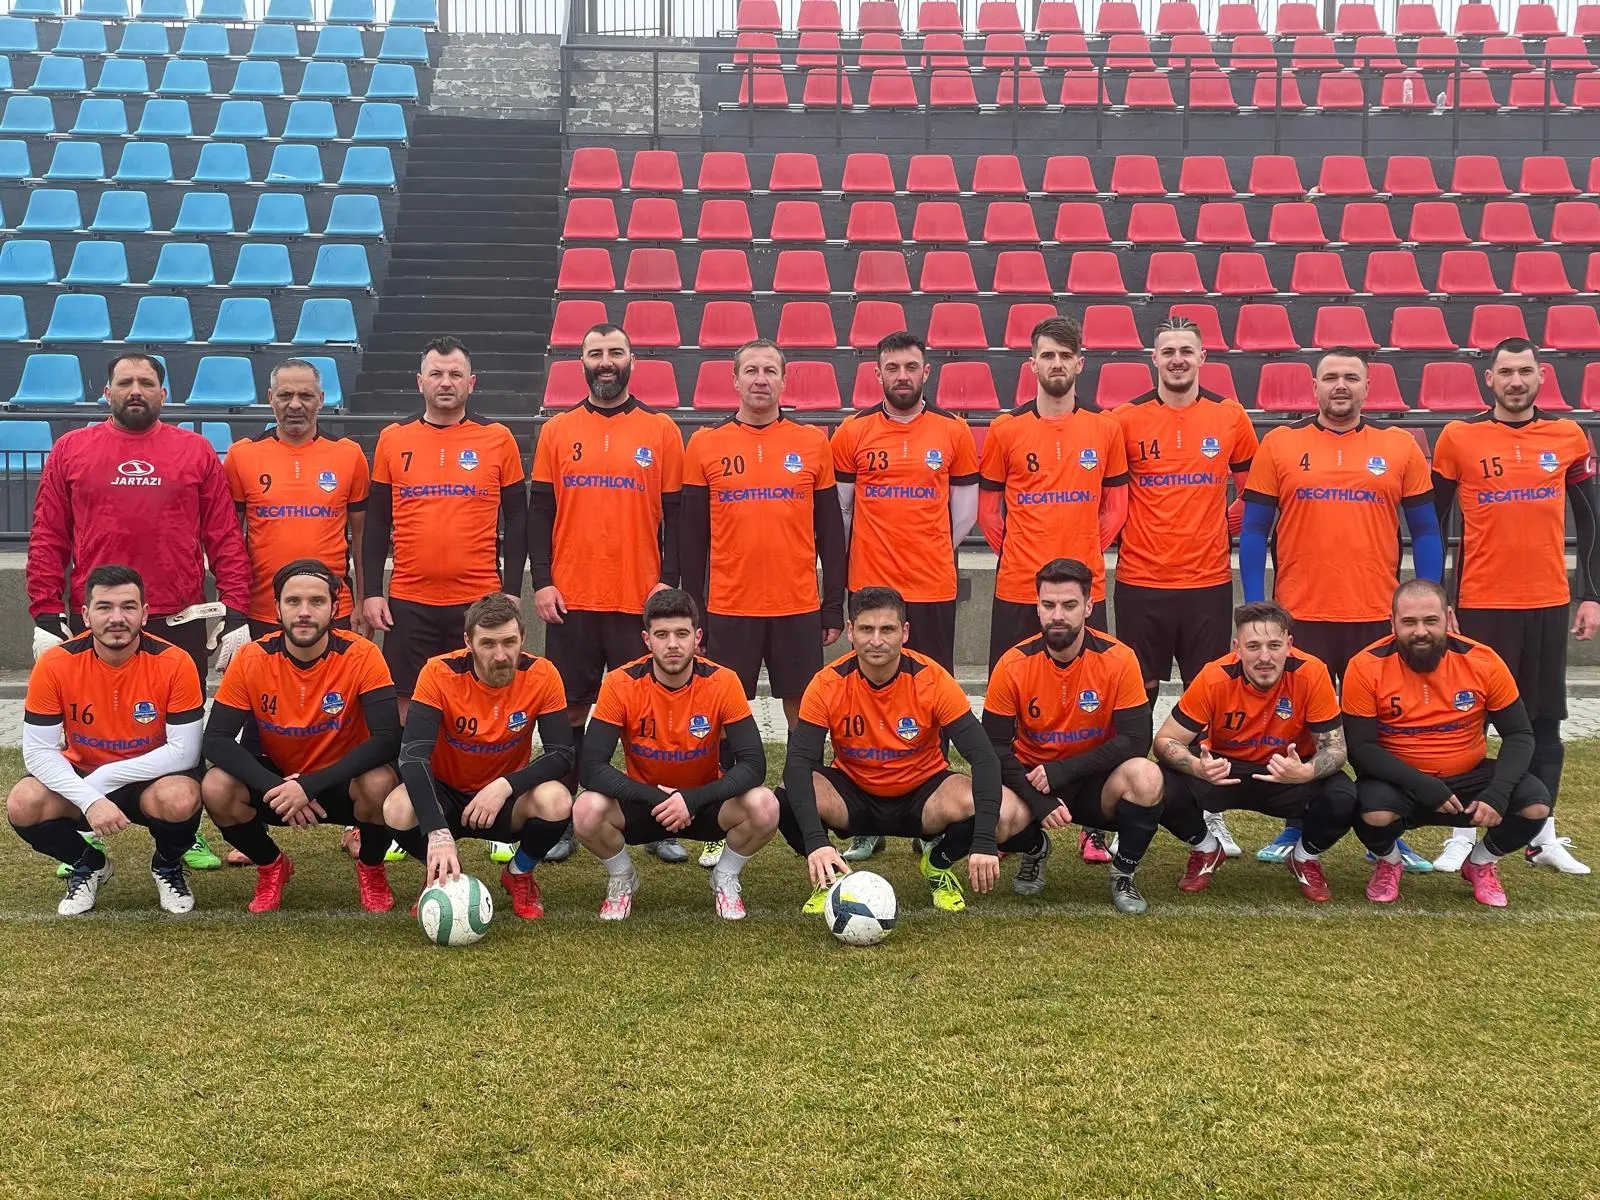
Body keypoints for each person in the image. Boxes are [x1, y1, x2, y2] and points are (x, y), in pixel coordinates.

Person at [26, 353, 251, 872]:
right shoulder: (71, 450)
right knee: (88, 729)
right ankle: (90, 821)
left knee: (179, 735)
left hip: (179, 619)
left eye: (146, 382)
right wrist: (45, 611)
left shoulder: (194, 451)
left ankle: (184, 829)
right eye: (124, 382)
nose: (135, 390)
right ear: (106, 392)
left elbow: (223, 535)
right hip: (99, 620)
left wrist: (236, 609)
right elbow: (49, 535)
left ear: (163, 394)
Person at [1239, 347, 1443, 869]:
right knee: (1298, 726)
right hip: (1300, 614)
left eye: (1351, 377)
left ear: (1367, 387)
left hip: (1374, 615)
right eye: (1330, 377)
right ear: (1314, 386)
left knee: (1380, 731)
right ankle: (1297, 823)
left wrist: (1432, 600)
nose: (1341, 386)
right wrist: (1258, 604)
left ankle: (1387, 832)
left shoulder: (1399, 446)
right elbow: (1255, 530)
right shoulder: (1280, 445)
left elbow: (1425, 530)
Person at [1430, 338, 1597, 875]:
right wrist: (1439, 599)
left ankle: (1541, 835)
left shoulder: (1568, 435)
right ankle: (1461, 834)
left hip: (1547, 601)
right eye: (1506, 372)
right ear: (1490, 379)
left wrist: (1591, 594)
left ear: (1542, 376)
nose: (1516, 381)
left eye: (1525, 371)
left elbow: (1591, 518)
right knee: (1467, 722)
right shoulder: (1459, 437)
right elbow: (1432, 522)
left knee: (1543, 723)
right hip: (1479, 603)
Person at [680, 339, 847, 868]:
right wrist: (694, 612)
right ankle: (719, 819)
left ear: (783, 380)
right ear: (734, 380)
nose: (759, 379)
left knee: (805, 717)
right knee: (726, 718)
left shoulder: (812, 442)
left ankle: (805, 816)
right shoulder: (705, 444)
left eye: (769, 370)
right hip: (729, 607)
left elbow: (830, 533)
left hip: (796, 606)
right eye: (750, 370)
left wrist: (832, 605)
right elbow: (691, 540)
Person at [531, 324, 686, 865]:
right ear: (581, 362)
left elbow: (678, 516)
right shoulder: (557, 430)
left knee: (650, 715)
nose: (605, 361)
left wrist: (668, 579)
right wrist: (542, 580)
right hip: (570, 601)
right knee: (570, 712)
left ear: (631, 360)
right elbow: (540, 512)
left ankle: (659, 820)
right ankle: (565, 818)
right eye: (595, 352)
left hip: (638, 601)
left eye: (615, 352)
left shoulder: (661, 430)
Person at [778, 586, 1030, 915]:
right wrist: (816, 842)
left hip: (923, 796)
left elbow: (982, 756)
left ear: (905, 632)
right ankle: (831, 876)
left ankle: (938, 864)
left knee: (1006, 810)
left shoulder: (933, 679)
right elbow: (798, 763)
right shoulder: (827, 683)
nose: (876, 640)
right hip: (853, 793)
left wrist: (983, 840)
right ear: (850, 631)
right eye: (866, 629)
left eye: (887, 629)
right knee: (784, 797)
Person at [1110, 315, 1260, 862]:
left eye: (1186, 350)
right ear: (1154, 358)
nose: (1177, 359)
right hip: (1141, 583)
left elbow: (1254, 489)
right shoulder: (1125, 419)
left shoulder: (1230, 415)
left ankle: (1209, 810)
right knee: (1136, 698)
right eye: (1167, 350)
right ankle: (1121, 807)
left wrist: (1225, 526)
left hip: (1207, 584)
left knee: (1208, 699)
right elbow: (1108, 494)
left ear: (1202, 358)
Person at [830, 331, 980, 862]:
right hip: (870, 589)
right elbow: (843, 512)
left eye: (910, 366)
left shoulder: (953, 431)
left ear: (925, 371)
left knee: (932, 697)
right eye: (891, 367)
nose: (901, 376)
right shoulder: (853, 431)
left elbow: (964, 514)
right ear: (877, 373)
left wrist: (929, 549)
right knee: (865, 697)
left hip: (932, 587)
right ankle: (866, 815)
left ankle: (928, 813)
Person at [201, 561, 401, 914]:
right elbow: (216, 739)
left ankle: (371, 868)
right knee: (216, 787)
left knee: (380, 782)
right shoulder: (251, 658)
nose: (304, 612)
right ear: (277, 609)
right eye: (293, 601)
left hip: (341, 784)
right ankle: (272, 866)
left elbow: (387, 738)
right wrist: (279, 786)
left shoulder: (362, 655)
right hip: (279, 786)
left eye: (316, 601)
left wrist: (309, 786)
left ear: (335, 608)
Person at [7, 565, 204, 915]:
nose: (117, 618)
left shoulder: (175, 662)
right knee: (23, 803)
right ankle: (89, 865)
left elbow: (185, 752)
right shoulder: (55, 664)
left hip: (150, 778)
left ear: (145, 614)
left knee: (181, 797)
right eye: (104, 607)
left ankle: (167, 865)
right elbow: (38, 752)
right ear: (85, 615)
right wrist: (89, 799)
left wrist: (105, 780)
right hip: (83, 775)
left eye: (128, 607)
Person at [571, 589, 778, 921]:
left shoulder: (723, 682)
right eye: (662, 635)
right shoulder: (620, 683)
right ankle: (622, 877)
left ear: (697, 637)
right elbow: (591, 768)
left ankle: (725, 876)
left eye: (682, 634)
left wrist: (691, 800)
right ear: (646, 640)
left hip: (704, 803)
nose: (672, 644)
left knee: (765, 805)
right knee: (585, 809)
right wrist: (658, 798)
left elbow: (754, 765)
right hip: (644, 803)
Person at [1342, 580, 1551, 907]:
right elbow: (1361, 748)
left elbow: (1519, 734)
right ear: (1392, 623)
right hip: (1402, 781)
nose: (1420, 631)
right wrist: (1421, 784)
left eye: (1430, 620)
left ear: (1448, 618)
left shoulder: (1484, 661)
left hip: (1469, 776)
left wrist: (1498, 792)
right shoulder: (1364, 666)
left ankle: (1480, 862)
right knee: (1369, 810)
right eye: (1409, 622)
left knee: (1535, 804)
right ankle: (1389, 861)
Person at [981, 558, 1164, 914]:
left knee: (1146, 776)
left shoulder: (1119, 658)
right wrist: (1037, 801)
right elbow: (993, 746)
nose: (1057, 615)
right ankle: (1035, 849)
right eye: (1048, 605)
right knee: (994, 811)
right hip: (1034, 780)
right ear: (1037, 606)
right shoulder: (1012, 664)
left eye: (1069, 605)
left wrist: (1064, 771)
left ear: (1088, 607)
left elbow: (1137, 739)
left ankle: (1123, 873)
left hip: (1097, 780)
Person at [383, 592, 575, 920]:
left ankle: (519, 873)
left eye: (509, 642)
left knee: (557, 800)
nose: (501, 655)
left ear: (523, 637)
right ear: (468, 642)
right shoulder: (438, 673)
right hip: (445, 796)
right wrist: (437, 831)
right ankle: (440, 873)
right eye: (488, 644)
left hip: (504, 800)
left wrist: (505, 785)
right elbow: (413, 755)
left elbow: (562, 755)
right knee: (397, 808)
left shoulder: (543, 674)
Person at [362, 336, 526, 717]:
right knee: (407, 702)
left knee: (478, 698)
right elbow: (377, 521)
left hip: (478, 599)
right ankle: (413, 759)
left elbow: (519, 518)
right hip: (409, 599)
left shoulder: (498, 439)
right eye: (436, 374)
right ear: (420, 382)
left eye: (456, 374)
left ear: (472, 383)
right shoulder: (392, 439)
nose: (446, 382)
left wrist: (514, 590)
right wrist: (371, 592)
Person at [1152, 602, 1356, 903]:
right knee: (1156, 783)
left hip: (1285, 771)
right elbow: (1165, 740)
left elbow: (1336, 749)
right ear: (1237, 648)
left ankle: (1304, 856)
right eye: (1253, 646)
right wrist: (1197, 767)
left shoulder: (1312, 673)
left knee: (1344, 797)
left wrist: (1305, 772)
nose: (1264, 657)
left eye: (1274, 645)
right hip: (1224, 771)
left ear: (1289, 645)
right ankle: (1206, 848)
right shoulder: (1214, 676)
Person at [979, 316, 1128, 663]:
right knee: (1012, 681)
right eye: (1047, 356)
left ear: (1080, 363)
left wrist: (1086, 546)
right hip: (1020, 586)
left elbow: (1116, 508)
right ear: (1033, 364)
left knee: (1089, 681)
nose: (1057, 363)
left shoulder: (1106, 427)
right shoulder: (1005, 429)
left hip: (1083, 584)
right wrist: (1018, 551)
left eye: (1065, 355)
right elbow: (987, 512)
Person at [223, 359, 371, 639]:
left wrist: (362, 601)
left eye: (305, 395)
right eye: (285, 395)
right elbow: (229, 543)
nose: (294, 405)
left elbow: (363, 540)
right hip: (263, 610)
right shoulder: (241, 456)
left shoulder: (349, 455)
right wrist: (234, 608)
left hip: (333, 608)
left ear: (321, 399)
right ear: (270, 397)